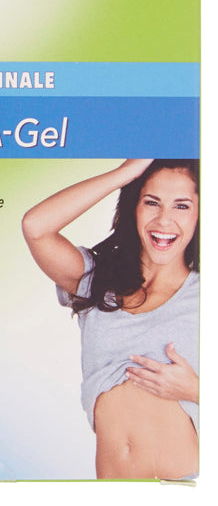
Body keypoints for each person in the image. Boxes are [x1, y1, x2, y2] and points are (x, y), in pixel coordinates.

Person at [22, 159, 199, 479]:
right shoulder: (97, 280)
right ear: (134, 207)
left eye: (182, 206)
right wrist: (124, 174)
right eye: (151, 202)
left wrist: (196, 390)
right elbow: (36, 227)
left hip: (182, 489)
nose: (164, 219)